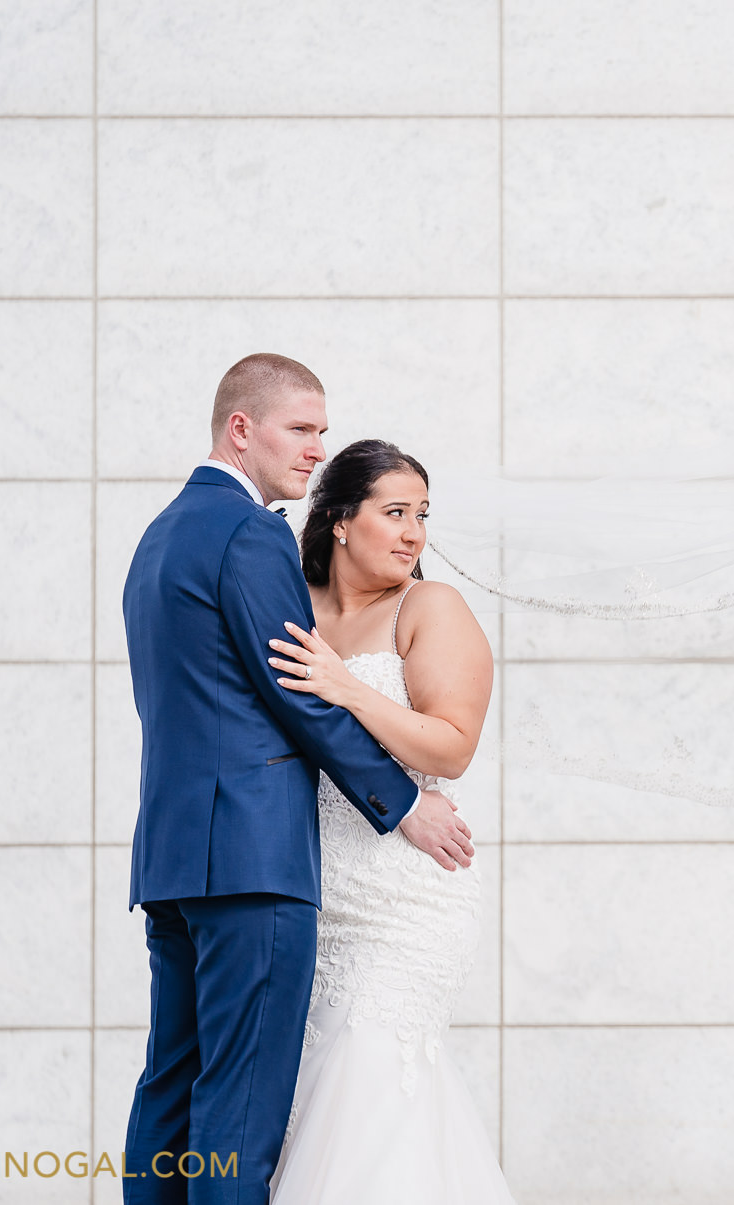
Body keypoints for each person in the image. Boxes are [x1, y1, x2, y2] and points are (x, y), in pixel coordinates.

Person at [121, 354, 474, 1205]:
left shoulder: (159, 535)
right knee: (240, 1111)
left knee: (170, 1086)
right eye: (303, 428)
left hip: (174, 857)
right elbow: (295, 692)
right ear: (242, 428)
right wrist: (400, 808)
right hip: (252, 859)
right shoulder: (250, 533)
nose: (317, 448)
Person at [262, 438, 514, 1203]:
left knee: (371, 1078)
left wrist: (347, 687)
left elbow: (452, 744)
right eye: (395, 511)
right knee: (312, 1095)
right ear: (339, 518)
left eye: (422, 515)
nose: (414, 532)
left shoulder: (428, 606)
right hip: (313, 888)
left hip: (407, 895)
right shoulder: (289, 603)